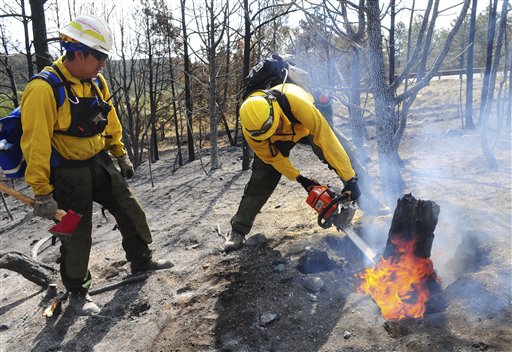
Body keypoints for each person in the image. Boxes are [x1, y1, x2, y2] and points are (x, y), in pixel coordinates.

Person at [20, 15, 173, 316]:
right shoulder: (43, 90)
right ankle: (77, 291)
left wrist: (120, 153)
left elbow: (109, 120)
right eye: (99, 56)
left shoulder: (96, 82)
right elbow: (34, 144)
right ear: (78, 52)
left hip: (98, 161)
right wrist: (41, 193)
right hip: (65, 172)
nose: (103, 63)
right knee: (76, 233)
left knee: (129, 208)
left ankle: (141, 259)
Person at [225, 83, 361, 251]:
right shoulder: (253, 133)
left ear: (274, 110)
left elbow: (326, 139)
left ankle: (366, 199)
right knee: (262, 177)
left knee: (344, 153)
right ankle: (238, 229)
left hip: (304, 125)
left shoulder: (296, 102)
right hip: (279, 141)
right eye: (270, 133)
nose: (275, 132)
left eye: (276, 127)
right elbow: (274, 158)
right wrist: (300, 178)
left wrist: (350, 179)